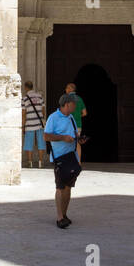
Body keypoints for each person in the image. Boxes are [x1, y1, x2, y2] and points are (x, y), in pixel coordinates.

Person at [45, 93, 84, 228]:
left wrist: (79, 139)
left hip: (71, 157)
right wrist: (63, 138)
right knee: (60, 187)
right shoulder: (53, 118)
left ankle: (65, 214)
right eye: (74, 104)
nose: (75, 106)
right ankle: (59, 217)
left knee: (68, 187)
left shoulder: (71, 118)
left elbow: (74, 136)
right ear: (67, 104)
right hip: (60, 158)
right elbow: (46, 136)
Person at [22, 81, 46, 168]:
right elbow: (43, 110)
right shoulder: (40, 96)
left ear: (25, 87)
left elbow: (24, 113)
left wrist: (23, 126)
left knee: (29, 143)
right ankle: (40, 162)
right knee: (41, 143)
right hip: (39, 123)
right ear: (32, 87)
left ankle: (30, 162)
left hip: (29, 123)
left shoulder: (24, 99)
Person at [64, 82, 87, 161]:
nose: (65, 89)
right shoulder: (79, 99)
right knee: (77, 143)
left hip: (68, 125)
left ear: (71, 89)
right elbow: (84, 113)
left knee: (67, 143)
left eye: (67, 88)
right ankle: (78, 161)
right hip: (78, 125)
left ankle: (69, 161)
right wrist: (77, 116)